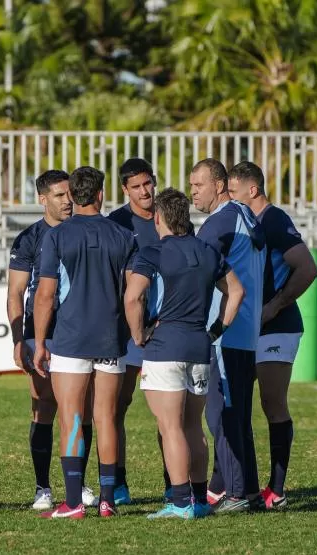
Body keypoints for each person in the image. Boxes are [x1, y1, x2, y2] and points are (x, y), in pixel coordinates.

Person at [125, 188, 245, 519]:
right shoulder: (208, 252)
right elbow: (236, 291)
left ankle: (180, 503)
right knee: (193, 426)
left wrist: (138, 336)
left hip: (165, 346)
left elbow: (133, 297)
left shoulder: (152, 252)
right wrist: (217, 330)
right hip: (199, 344)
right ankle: (199, 500)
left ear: (158, 218)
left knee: (170, 426)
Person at [33, 166, 137, 519]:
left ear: (73, 196)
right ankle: (107, 500)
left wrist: (41, 341)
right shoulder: (123, 236)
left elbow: (45, 296)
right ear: (101, 194)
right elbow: (136, 292)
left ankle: (74, 502)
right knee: (106, 418)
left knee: (71, 420)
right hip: (110, 338)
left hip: (70, 339)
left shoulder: (57, 237)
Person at [228, 162, 317, 509]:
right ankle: (239, 485)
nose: (230, 200)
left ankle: (276, 489)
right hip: (249, 326)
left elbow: (307, 268)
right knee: (235, 403)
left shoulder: (274, 220)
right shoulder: (243, 222)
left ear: (253, 191)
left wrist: (276, 305)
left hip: (276, 327)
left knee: (271, 403)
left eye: (234, 193)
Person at [7, 170, 96, 510]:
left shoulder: (84, 232)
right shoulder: (29, 238)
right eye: (59, 195)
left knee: (81, 410)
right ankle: (42, 488)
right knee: (43, 407)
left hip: (78, 330)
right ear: (43, 199)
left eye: (70, 194)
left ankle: (81, 483)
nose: (67, 200)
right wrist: (19, 338)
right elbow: (16, 292)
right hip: (41, 332)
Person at [190, 158, 266, 513]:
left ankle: (235, 493)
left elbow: (197, 268)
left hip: (225, 332)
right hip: (245, 332)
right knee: (236, 416)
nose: (194, 192)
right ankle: (247, 489)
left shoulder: (219, 222)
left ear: (219, 185)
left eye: (199, 185)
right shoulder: (244, 214)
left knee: (222, 415)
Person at [107, 157, 167, 504]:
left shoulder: (169, 216)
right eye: (136, 187)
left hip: (163, 327)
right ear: (125, 190)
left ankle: (173, 480)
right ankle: (118, 482)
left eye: (148, 183)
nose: (145, 192)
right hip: (128, 330)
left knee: (167, 409)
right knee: (118, 406)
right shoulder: (117, 223)